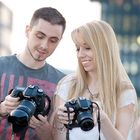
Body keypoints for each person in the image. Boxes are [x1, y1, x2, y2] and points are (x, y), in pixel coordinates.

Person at [51, 20, 137, 140]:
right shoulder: (67, 85)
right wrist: (59, 120)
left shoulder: (123, 91)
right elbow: (57, 138)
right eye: (78, 49)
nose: (80, 54)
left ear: (104, 49)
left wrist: (103, 120)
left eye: (87, 48)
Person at [0, 7, 66, 140]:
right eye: (40, 36)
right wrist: (2, 109)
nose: (44, 45)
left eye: (53, 40)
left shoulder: (63, 82)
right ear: (27, 30)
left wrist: (45, 129)